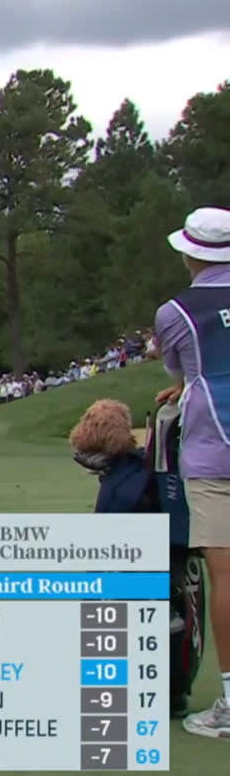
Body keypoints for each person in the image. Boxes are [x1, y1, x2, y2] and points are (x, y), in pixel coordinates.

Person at [152, 205, 230, 738]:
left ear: (190, 253)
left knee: (227, 575)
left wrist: (187, 386)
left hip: (214, 451)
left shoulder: (174, 312)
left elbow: (186, 368)